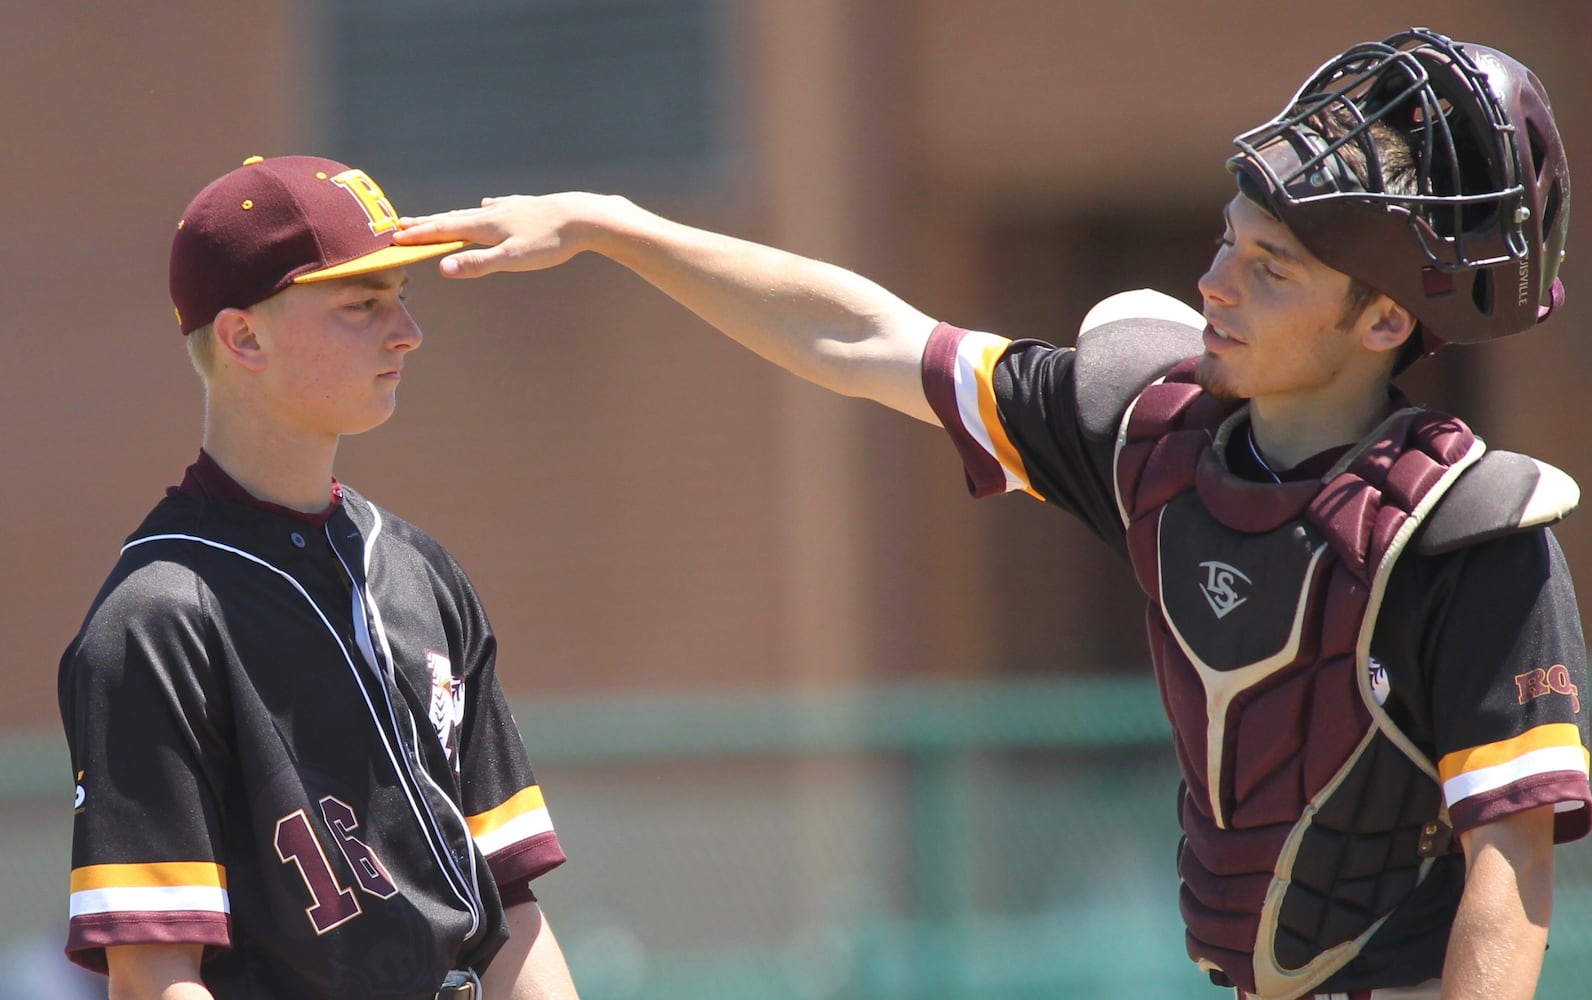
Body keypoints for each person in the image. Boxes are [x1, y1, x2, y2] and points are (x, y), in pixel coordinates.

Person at [394, 27, 1591, 1000]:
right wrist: (616, 226)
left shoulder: (1467, 529)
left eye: (1269, 269)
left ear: (1383, 322)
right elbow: (864, 335)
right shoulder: (1149, 434)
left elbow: (1511, 875)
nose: (1214, 286)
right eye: (1227, 244)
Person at [58, 155, 581, 1000]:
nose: (406, 330)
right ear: (243, 337)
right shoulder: (155, 618)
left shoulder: (418, 568)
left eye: (401, 298)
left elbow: (508, 905)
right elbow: (155, 978)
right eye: (361, 304)